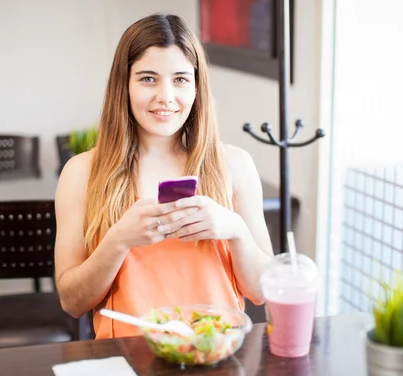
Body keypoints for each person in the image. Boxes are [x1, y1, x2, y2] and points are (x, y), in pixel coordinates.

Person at [54, 13, 274, 338]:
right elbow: (72, 302)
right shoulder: (81, 172)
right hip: (126, 359)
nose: (166, 96)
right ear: (124, 85)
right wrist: (118, 241)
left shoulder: (235, 165)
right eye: (148, 78)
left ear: (197, 87)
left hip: (214, 356)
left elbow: (261, 291)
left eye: (181, 79)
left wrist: (236, 230)